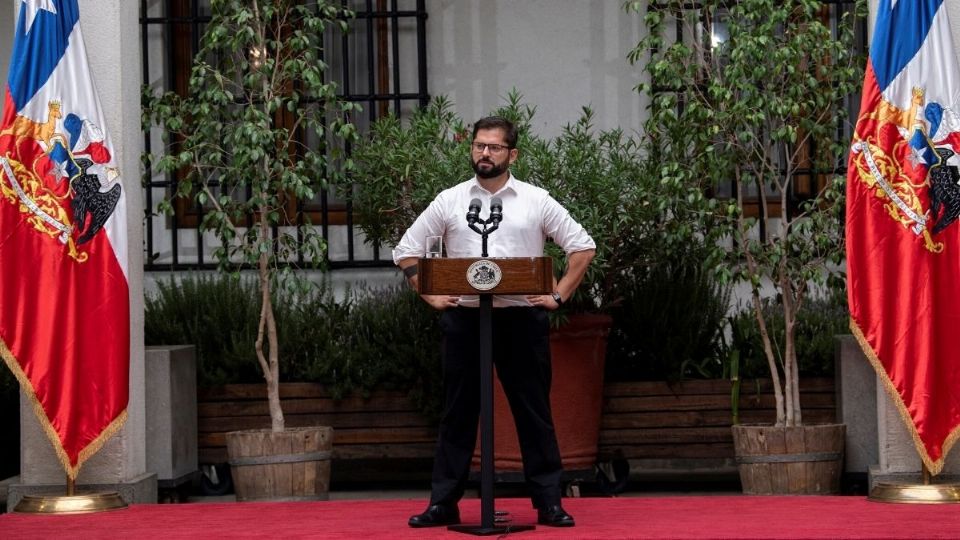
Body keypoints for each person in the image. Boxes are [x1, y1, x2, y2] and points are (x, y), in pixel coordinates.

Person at [394, 116, 596, 528]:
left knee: (533, 411)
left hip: (521, 320)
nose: (484, 153)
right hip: (466, 320)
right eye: (478, 146)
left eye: (494, 147)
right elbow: (407, 250)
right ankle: (444, 503)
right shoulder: (450, 200)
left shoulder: (536, 200)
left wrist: (558, 295)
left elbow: (583, 247)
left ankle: (549, 502)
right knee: (457, 411)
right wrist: (429, 293)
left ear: (512, 154)